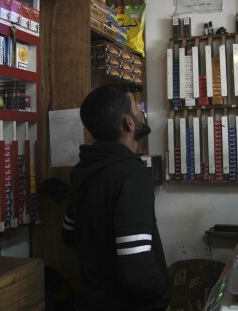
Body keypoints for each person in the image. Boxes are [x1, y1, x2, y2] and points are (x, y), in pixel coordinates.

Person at [61, 84, 171, 310]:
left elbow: (68, 234)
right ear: (128, 122)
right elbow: (137, 271)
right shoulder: (131, 176)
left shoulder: (83, 170)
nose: (141, 111)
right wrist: (163, 294)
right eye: (136, 107)